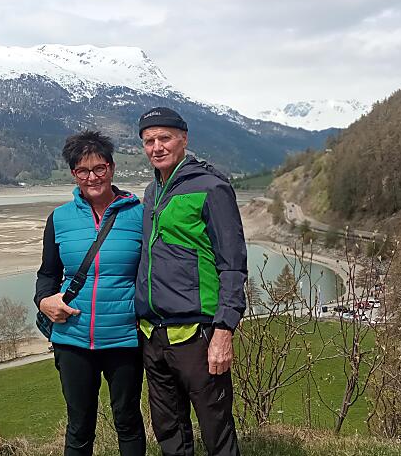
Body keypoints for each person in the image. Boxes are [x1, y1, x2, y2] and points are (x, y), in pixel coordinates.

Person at [136, 107, 248, 456]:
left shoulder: (211, 186)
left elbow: (233, 265)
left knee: (217, 430)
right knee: (169, 430)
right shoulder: (151, 191)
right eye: (149, 141)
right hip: (153, 333)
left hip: (198, 334)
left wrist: (224, 329)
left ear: (183, 139)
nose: (157, 147)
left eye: (164, 138)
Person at [34, 131, 146, 456]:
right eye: (83, 171)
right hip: (72, 339)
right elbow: (47, 274)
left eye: (99, 168)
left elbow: (153, 273)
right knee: (79, 425)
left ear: (112, 168)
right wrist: (43, 300)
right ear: (73, 174)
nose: (92, 177)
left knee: (127, 420)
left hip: (124, 338)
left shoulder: (139, 215)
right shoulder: (59, 219)